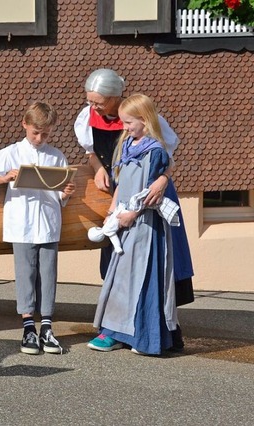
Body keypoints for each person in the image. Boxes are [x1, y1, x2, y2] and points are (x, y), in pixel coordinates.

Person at [74, 68, 194, 350]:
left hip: (150, 195)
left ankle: (160, 327)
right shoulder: (88, 118)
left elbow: (167, 158)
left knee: (157, 264)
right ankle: (119, 325)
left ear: (116, 98)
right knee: (118, 261)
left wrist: (162, 181)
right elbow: (91, 153)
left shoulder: (147, 122)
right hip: (120, 191)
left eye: (99, 102)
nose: (93, 107)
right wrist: (99, 169)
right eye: (90, 100)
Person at [0, 101, 76, 355]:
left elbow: (61, 193)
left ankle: (47, 327)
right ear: (25, 124)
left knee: (48, 274)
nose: (40, 138)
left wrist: (65, 193)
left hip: (48, 222)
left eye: (45, 133)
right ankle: (28, 328)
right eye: (35, 132)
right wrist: (5, 178)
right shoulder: (11, 152)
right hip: (21, 224)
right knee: (26, 274)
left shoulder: (56, 155)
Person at [87, 94, 180, 355]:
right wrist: (113, 209)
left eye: (129, 122)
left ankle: (144, 337)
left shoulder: (155, 152)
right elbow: (120, 182)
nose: (125, 127)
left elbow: (150, 193)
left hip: (145, 226)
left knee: (142, 278)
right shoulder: (128, 145)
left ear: (144, 120)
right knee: (120, 278)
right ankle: (116, 331)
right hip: (125, 221)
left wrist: (132, 213)